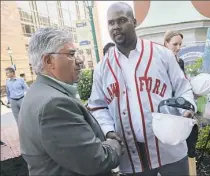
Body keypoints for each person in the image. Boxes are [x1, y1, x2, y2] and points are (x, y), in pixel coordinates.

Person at [88, 2, 196, 176]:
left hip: (170, 149)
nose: (116, 27)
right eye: (111, 23)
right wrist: (108, 130)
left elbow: (184, 88)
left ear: (134, 22)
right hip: (131, 157)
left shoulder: (162, 55)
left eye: (122, 20)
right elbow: (97, 106)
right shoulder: (102, 68)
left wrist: (188, 109)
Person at [18, 27, 124, 176]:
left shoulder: (39, 92)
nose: (80, 61)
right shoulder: (54, 105)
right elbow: (96, 161)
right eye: (71, 54)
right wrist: (114, 144)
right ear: (49, 61)